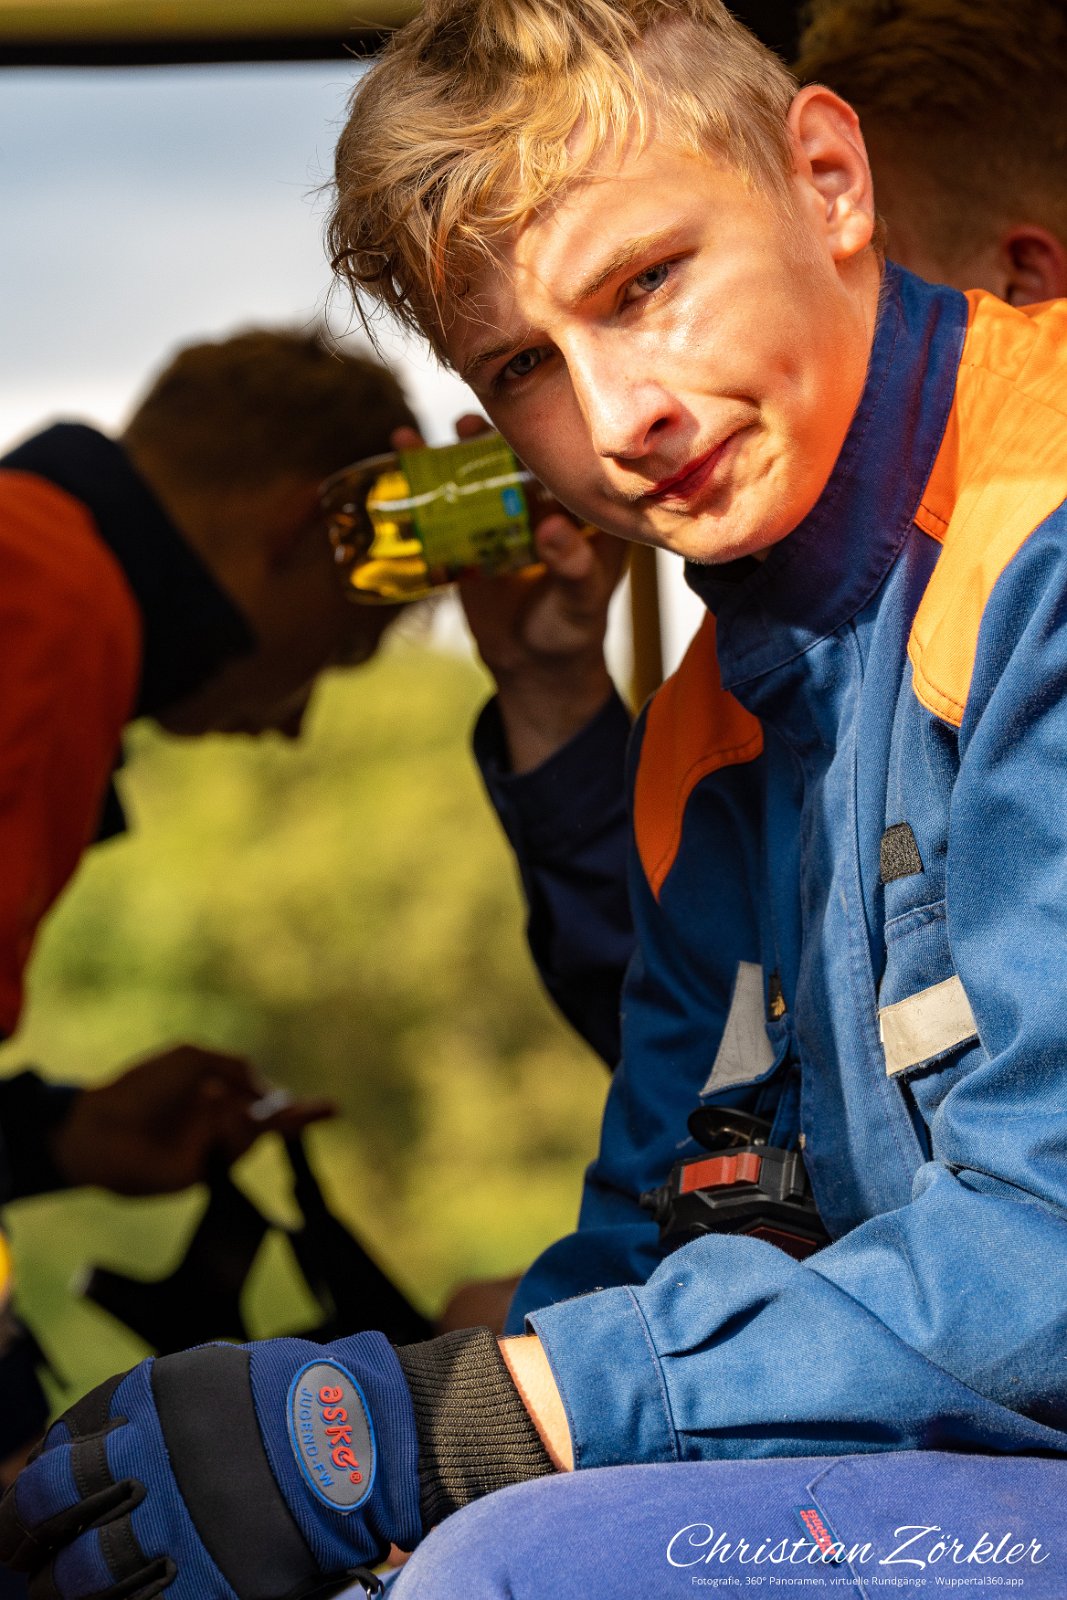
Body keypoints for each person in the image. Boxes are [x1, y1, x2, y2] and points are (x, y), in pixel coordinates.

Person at [7, 2, 1067, 1597]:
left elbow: (1043, 1246)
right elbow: (676, 1208)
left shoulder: (1033, 546)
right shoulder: (717, 720)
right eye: (522, 367)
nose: (621, 418)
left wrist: (458, 1424)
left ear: (828, 181)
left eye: (645, 283)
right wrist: (401, 1446)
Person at [0, 327, 418, 1489]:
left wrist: (53, 1137)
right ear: (297, 530)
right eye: (344, 643)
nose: (293, 723)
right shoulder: (49, 607)